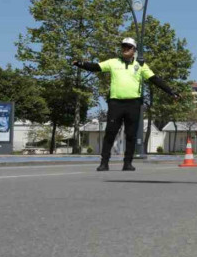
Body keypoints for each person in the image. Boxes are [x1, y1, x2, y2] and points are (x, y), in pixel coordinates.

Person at [73, 37, 179, 171]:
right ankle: (104, 163)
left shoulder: (140, 65)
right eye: (123, 46)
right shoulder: (113, 62)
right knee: (110, 132)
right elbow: (95, 67)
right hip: (115, 103)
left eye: (128, 47)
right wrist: (80, 64)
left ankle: (127, 163)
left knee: (131, 134)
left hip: (134, 103)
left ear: (134, 50)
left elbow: (155, 79)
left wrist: (171, 92)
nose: (125, 49)